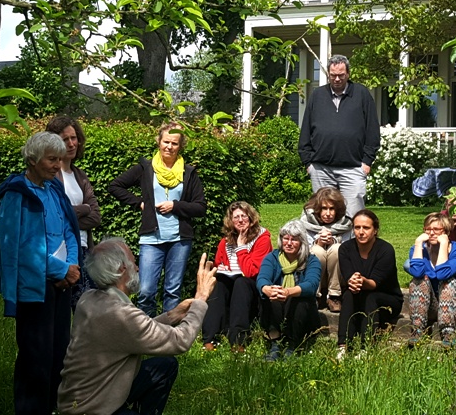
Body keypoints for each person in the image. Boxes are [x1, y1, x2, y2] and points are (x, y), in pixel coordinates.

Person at [58, 238, 216, 415]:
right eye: (134, 262)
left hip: (83, 405)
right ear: (121, 269)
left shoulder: (89, 299)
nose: (139, 268)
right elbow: (180, 342)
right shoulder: (121, 314)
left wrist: (173, 315)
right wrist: (200, 300)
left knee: (164, 366)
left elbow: (131, 333)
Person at [0, 131, 82, 415]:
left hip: (60, 282)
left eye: (60, 159)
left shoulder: (53, 190)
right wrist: (61, 271)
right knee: (35, 357)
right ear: (32, 160)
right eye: (51, 159)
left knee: (57, 353)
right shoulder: (16, 193)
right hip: (35, 286)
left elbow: (70, 230)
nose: (58, 165)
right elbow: (19, 247)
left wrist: (71, 265)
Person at [108, 122, 207, 316]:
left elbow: (200, 206)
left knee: (172, 291)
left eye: (174, 143)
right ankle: (147, 332)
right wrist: (139, 203)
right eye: (166, 142)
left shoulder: (188, 172)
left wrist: (175, 206)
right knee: (145, 290)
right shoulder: (146, 168)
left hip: (179, 239)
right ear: (159, 142)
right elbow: (115, 186)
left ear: (181, 146)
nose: (169, 147)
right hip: (151, 238)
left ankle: (168, 336)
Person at [298, 54, 381, 215]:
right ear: (328, 74)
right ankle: (324, 241)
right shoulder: (317, 95)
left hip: (354, 168)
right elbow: (306, 128)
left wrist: (367, 162)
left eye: (341, 75)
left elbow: (372, 129)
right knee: (324, 214)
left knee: (354, 214)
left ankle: (351, 241)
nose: (337, 79)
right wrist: (308, 162)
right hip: (321, 169)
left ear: (348, 74)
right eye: (333, 75)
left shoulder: (361, 94)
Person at [46, 116, 102, 308]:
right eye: (65, 139)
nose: (71, 144)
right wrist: (83, 209)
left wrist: (74, 213)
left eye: (74, 138)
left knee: (87, 309)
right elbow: (55, 217)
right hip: (62, 252)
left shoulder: (80, 176)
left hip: (84, 249)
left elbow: (95, 216)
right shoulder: (50, 176)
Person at [202, 201, 272, 352]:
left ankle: (239, 340)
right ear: (231, 221)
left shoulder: (262, 239)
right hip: (231, 285)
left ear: (251, 218)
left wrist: (241, 248)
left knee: (241, 282)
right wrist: (221, 268)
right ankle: (209, 338)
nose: (240, 220)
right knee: (219, 282)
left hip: (253, 287)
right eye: (236, 217)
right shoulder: (225, 242)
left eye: (244, 216)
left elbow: (253, 271)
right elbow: (218, 263)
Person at [336, 209, 403, 359]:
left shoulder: (386, 250)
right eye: (357, 227)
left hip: (387, 300)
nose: (360, 232)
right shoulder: (345, 249)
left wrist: (361, 281)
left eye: (366, 228)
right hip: (357, 296)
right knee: (348, 294)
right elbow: (348, 277)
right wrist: (352, 281)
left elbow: (373, 284)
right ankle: (343, 346)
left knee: (371, 297)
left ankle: (366, 348)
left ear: (375, 230)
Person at [257, 219, 323, 361]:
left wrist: (288, 292)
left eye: (294, 240)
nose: (289, 243)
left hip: (303, 315)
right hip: (276, 310)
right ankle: (275, 343)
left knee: (298, 298)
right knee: (272, 296)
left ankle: (291, 344)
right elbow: (262, 279)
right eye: (286, 238)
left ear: (302, 243)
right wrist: (268, 289)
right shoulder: (272, 258)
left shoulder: (312, 260)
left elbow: (311, 285)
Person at [405, 213, 456, 347]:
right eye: (428, 229)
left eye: (436, 230)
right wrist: (418, 244)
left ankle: (449, 334)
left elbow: (443, 274)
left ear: (446, 232)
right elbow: (417, 273)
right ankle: (417, 330)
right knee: (418, 280)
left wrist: (443, 245)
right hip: (432, 304)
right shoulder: (418, 249)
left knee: (449, 282)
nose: (431, 233)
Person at [299, 187, 353, 313]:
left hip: (338, 277)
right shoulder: (305, 223)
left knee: (337, 249)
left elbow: (349, 253)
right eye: (324, 208)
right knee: (317, 251)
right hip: (314, 274)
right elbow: (301, 252)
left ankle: (334, 296)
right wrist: (318, 242)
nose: (328, 213)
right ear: (317, 209)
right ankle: (314, 295)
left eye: (332, 209)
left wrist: (334, 241)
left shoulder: (345, 224)